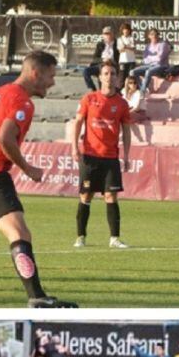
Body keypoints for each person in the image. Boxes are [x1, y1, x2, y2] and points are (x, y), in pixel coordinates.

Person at [0, 50, 75, 308]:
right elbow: (4, 139)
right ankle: (36, 297)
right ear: (35, 73)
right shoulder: (22, 102)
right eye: (50, 76)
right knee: (20, 233)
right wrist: (29, 169)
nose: (52, 82)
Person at [72, 59, 131, 249]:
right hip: (90, 156)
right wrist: (74, 147)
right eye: (106, 73)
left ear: (117, 78)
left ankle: (114, 238)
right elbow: (78, 123)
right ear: (100, 77)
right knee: (86, 196)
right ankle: (80, 237)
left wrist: (127, 155)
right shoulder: (89, 99)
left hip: (111, 157)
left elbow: (127, 131)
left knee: (111, 197)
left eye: (113, 74)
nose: (109, 77)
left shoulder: (122, 104)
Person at [135, 28, 171, 94]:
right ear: (149, 36)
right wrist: (155, 57)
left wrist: (151, 58)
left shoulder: (163, 44)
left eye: (156, 34)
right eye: (152, 34)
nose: (154, 36)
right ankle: (143, 88)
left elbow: (160, 59)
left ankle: (142, 92)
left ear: (158, 35)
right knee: (132, 72)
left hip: (162, 66)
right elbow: (145, 60)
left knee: (148, 71)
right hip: (150, 65)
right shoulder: (147, 46)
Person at [84, 25, 119, 91]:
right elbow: (95, 58)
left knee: (103, 82)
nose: (107, 36)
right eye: (105, 34)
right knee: (86, 71)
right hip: (101, 64)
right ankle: (93, 89)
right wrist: (103, 59)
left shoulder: (117, 43)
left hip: (112, 65)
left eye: (109, 34)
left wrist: (111, 61)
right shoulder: (100, 44)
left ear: (113, 34)